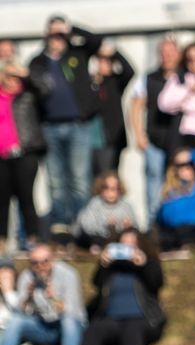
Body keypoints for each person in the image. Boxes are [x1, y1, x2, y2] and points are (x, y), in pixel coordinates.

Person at [28, 16, 102, 229]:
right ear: (46, 35)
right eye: (53, 34)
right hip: (49, 127)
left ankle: (82, 226)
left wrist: (72, 29)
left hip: (78, 126)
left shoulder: (77, 55)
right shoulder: (38, 62)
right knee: (56, 181)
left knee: (79, 179)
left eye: (61, 34)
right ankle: (61, 226)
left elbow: (96, 41)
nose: (57, 39)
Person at [75, 228, 165, 345]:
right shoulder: (111, 268)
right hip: (112, 320)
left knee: (131, 328)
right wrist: (103, 264)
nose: (127, 248)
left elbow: (156, 283)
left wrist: (143, 265)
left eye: (132, 244)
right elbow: (97, 283)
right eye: (123, 244)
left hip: (143, 319)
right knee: (94, 329)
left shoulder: (148, 263)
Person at [0, 244, 85, 345]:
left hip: (67, 328)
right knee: (16, 321)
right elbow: (21, 312)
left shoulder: (68, 274)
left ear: (52, 260)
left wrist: (54, 297)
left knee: (69, 322)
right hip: (43, 327)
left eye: (44, 261)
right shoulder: (27, 276)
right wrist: (28, 297)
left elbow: (74, 313)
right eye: (35, 263)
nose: (40, 266)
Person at [128, 37, 181, 220]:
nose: (166, 57)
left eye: (170, 53)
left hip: (179, 143)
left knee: (178, 186)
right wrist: (139, 135)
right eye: (163, 53)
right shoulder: (149, 78)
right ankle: (154, 229)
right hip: (155, 142)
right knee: (154, 189)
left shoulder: (185, 77)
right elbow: (135, 106)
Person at [0, 60, 44, 250]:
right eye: (10, 77)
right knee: (2, 200)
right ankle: (2, 240)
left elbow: (44, 88)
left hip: (25, 153)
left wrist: (24, 73)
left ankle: (32, 238)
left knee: (26, 197)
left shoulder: (27, 96)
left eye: (17, 78)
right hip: (2, 157)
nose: (13, 81)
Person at [88, 44, 134, 175]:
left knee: (108, 176)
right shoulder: (88, 84)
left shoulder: (115, 82)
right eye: (100, 61)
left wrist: (114, 52)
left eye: (107, 61)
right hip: (90, 141)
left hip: (110, 142)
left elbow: (129, 71)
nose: (103, 64)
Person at [75, 172, 137, 250]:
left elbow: (135, 226)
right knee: (88, 237)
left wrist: (126, 227)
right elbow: (87, 225)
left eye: (113, 189)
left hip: (118, 239)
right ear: (100, 189)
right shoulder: (95, 203)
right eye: (106, 188)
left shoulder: (126, 206)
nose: (109, 192)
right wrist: (105, 226)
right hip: (97, 237)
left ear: (120, 190)